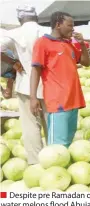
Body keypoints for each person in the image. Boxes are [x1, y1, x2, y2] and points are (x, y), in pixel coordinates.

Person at [30, 11, 90, 148]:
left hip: (74, 100)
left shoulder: (69, 44)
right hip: (59, 102)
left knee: (68, 141)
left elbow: (86, 63)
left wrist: (82, 44)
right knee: (57, 146)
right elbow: (36, 70)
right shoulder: (42, 43)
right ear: (58, 25)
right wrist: (33, 97)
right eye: (70, 25)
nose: (73, 29)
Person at [1, 5, 47, 164]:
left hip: (25, 85)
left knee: (30, 126)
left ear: (20, 19)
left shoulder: (13, 34)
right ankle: (54, 158)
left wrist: (13, 62)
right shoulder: (47, 32)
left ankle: (36, 162)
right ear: (37, 17)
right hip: (49, 85)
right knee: (51, 124)